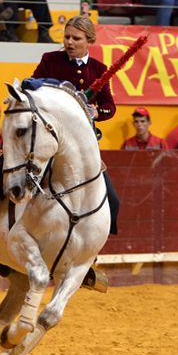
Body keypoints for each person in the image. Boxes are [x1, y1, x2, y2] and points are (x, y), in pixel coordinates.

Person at [32, 15, 119, 235]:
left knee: (113, 201)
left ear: (89, 41)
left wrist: (97, 111)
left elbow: (109, 104)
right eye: (67, 37)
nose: (69, 42)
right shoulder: (50, 59)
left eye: (76, 38)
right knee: (11, 171)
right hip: (50, 136)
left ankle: (93, 247)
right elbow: (32, 88)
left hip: (82, 143)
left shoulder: (99, 68)